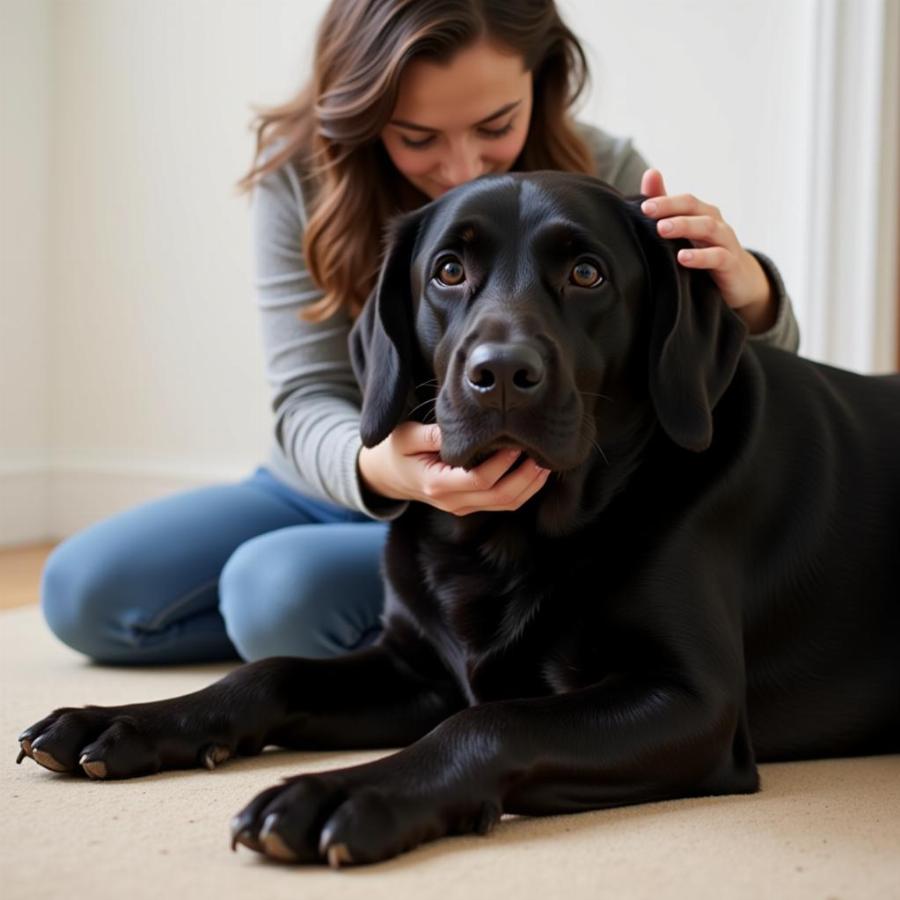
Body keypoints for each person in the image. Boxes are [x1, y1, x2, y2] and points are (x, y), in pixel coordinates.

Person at [41, 0, 800, 666]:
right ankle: (419, 648)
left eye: (495, 124)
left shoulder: (601, 171)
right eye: (416, 136)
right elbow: (305, 396)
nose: (459, 164)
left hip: (518, 507)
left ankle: (408, 658)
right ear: (363, 109)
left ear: (542, 78)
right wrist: (380, 471)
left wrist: (752, 295)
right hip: (340, 470)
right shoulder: (300, 182)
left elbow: (715, 376)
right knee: (84, 593)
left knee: (273, 593)